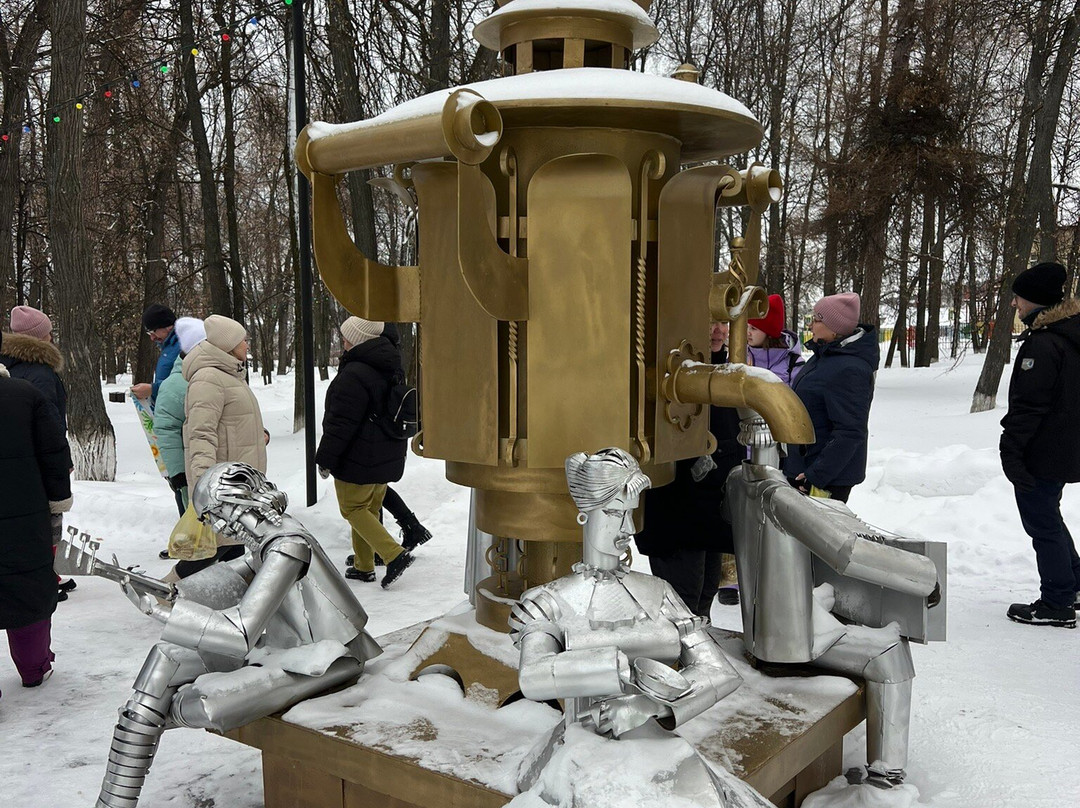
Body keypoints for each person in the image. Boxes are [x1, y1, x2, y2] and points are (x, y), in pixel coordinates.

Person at [634, 320, 743, 617]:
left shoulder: (725, 372)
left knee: (707, 587)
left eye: (722, 322)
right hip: (677, 506)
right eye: (708, 321)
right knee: (682, 596)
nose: (718, 330)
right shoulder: (662, 373)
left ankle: (698, 652)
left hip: (711, 506)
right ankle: (676, 659)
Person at [1000, 262, 1080, 628]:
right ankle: (1073, 585)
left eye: (1018, 297)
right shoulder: (1069, 334)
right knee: (1050, 516)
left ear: (1033, 300)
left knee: (1042, 523)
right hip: (1064, 447)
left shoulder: (1045, 345)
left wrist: (1011, 450)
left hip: (1042, 451)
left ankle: (1057, 602)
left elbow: (1030, 407)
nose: (1015, 304)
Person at [316, 316, 414, 588]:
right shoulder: (390, 366)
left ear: (359, 340)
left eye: (347, 337)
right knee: (367, 510)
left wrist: (325, 459)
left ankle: (394, 555)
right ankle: (364, 566)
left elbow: (340, 424)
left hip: (357, 458)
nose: (343, 341)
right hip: (385, 456)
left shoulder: (355, 373)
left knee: (354, 509)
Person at [0, 331, 73, 695]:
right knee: (26, 588)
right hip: (24, 514)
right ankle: (34, 667)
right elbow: (54, 452)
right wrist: (58, 501)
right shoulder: (25, 396)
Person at [179, 314, 266, 577]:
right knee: (215, 547)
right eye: (243, 340)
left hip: (238, 479)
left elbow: (232, 420)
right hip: (222, 482)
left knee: (234, 545)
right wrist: (205, 484)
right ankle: (166, 590)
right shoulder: (209, 378)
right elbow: (200, 434)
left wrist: (259, 434)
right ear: (228, 346)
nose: (247, 345)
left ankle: (227, 593)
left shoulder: (230, 374)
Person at [2, 305, 75, 600]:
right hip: (39, 456)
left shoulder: (11, 365)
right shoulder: (40, 371)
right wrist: (62, 458)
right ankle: (46, 575)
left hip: (17, 455)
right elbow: (49, 421)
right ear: (42, 337)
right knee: (48, 515)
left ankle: (47, 572)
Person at [784, 292, 878, 503]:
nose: (810, 326)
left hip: (824, 478)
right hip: (806, 466)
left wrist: (815, 476)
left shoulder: (849, 368)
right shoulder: (825, 356)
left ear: (834, 328)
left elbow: (850, 431)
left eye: (816, 320)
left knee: (813, 535)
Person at [154, 318, 206, 512]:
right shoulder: (175, 385)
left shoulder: (218, 375)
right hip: (189, 474)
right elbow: (166, 429)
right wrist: (178, 475)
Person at [746, 293, 804, 386]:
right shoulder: (741, 356)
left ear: (769, 333)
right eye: (747, 327)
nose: (747, 332)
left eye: (753, 328)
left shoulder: (793, 364)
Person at [132, 303, 179, 407]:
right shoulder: (168, 347)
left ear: (167, 326)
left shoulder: (183, 347)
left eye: (153, 332)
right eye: (149, 333)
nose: (152, 338)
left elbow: (185, 383)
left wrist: (153, 389)